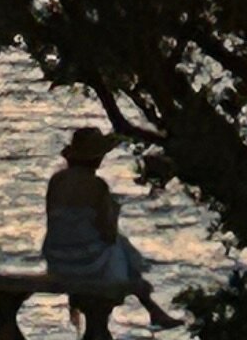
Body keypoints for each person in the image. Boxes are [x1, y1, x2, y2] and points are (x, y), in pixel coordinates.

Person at [42, 126, 182, 327]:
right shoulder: (97, 186)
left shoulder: (56, 182)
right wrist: (113, 212)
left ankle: (153, 310)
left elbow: (55, 223)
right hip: (87, 263)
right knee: (120, 246)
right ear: (97, 158)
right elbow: (107, 234)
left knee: (119, 248)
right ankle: (151, 309)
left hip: (57, 259)